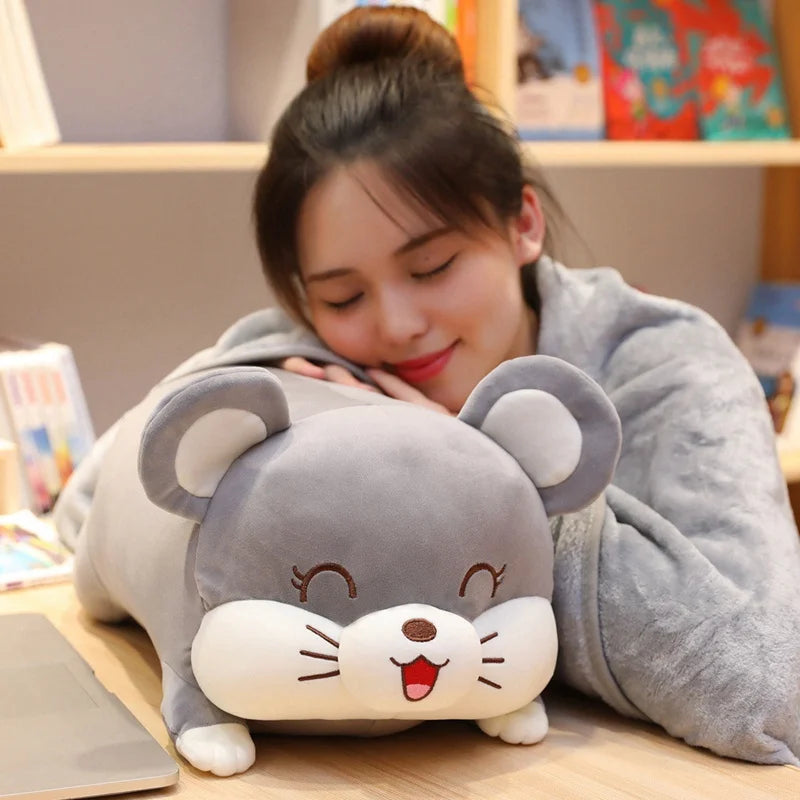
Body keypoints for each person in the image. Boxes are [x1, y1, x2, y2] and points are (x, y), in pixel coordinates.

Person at [55, 6, 800, 767]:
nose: (398, 325)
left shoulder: (664, 363)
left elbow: (767, 693)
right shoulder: (306, 353)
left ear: (523, 225)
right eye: (343, 295)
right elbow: (91, 501)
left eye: (433, 267)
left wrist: (493, 483)